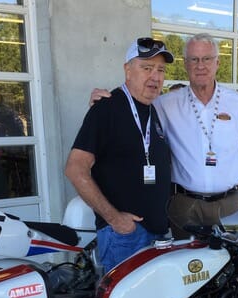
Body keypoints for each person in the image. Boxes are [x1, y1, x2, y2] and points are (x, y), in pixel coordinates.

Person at [90, 33, 238, 237]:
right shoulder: (165, 104)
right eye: (194, 59)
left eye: (207, 59)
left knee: (232, 256)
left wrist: (236, 191)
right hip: (185, 206)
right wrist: (105, 102)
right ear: (185, 64)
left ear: (217, 63)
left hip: (230, 206)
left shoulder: (237, 103)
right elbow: (134, 106)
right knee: (186, 258)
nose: (200, 66)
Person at [65, 37, 174, 272]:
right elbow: (75, 169)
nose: (155, 77)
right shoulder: (107, 108)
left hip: (156, 234)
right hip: (126, 237)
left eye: (160, 70)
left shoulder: (153, 110)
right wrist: (115, 219)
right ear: (127, 70)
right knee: (124, 297)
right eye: (147, 68)